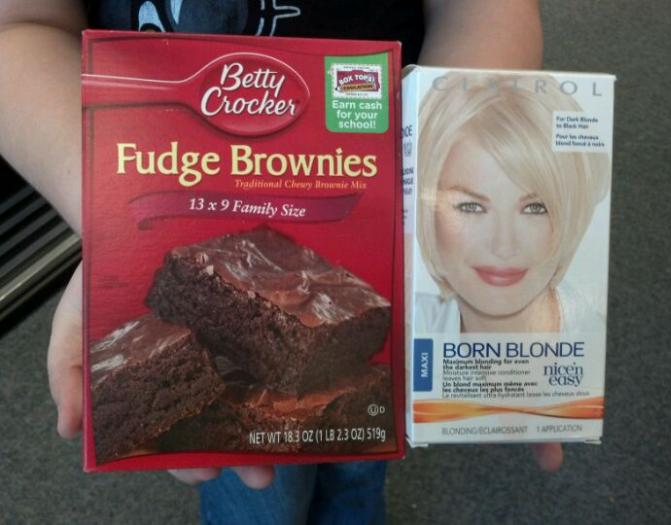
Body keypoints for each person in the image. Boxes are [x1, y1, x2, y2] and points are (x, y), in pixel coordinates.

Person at [0, 1, 560, 523]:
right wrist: (115, 214)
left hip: (385, 199)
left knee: (363, 445)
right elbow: (22, 25)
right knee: (258, 495)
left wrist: (443, 203)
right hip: (166, 173)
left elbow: (483, 12)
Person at [415, 73, 611, 334]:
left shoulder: (594, 338)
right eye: (471, 207)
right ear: (426, 211)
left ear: (571, 214)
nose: (503, 246)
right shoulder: (404, 327)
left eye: (535, 208)